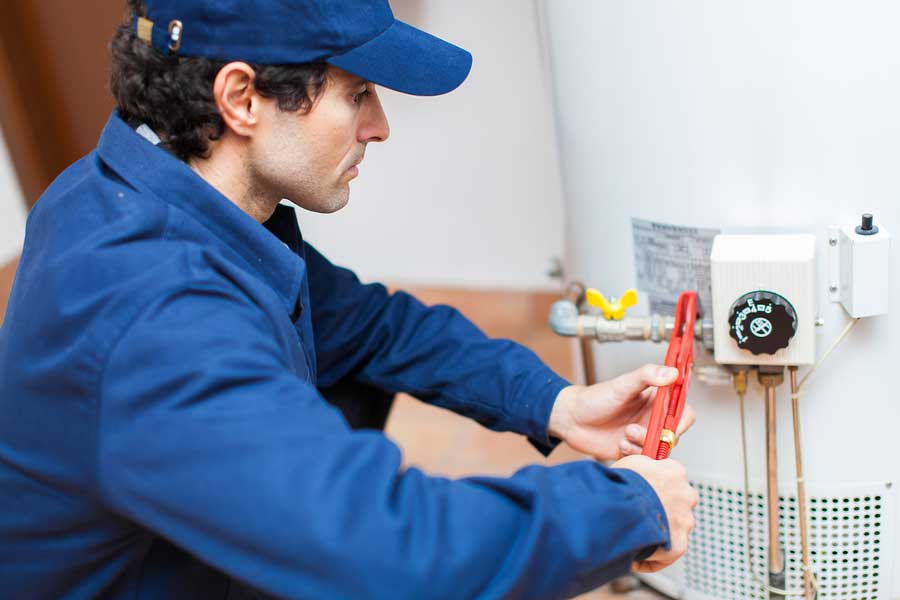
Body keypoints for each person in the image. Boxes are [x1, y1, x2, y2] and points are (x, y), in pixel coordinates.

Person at [0, 1, 699, 598]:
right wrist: (626, 510)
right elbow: (394, 554)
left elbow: (373, 327)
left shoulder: (142, 188)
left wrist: (555, 404)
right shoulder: (157, 320)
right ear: (241, 99)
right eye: (357, 92)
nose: (379, 125)